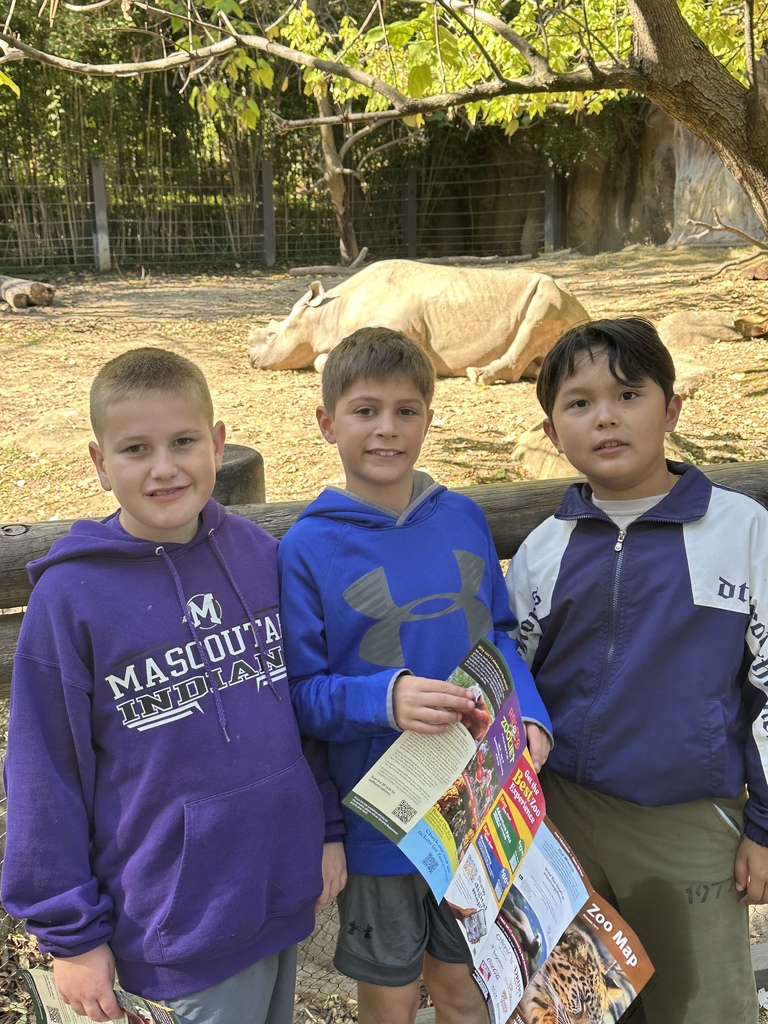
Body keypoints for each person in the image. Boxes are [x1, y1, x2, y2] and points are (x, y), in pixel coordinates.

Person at [2, 347, 346, 1024]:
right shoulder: (72, 598)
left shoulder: (258, 556)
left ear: (218, 445)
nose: (164, 467)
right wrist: (72, 936)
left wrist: (326, 828)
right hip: (176, 925)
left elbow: (299, 709)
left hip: (281, 892)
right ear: (100, 465)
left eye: (183, 442)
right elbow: (45, 772)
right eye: (136, 448)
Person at [277, 327, 552, 1024]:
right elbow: (302, 697)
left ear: (429, 419)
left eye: (406, 411)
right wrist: (384, 698)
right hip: (384, 823)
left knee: (464, 987)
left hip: (477, 805)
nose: (386, 429)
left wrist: (532, 717)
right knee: (393, 997)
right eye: (365, 410)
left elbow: (497, 634)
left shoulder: (462, 516)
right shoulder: (308, 548)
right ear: (326, 422)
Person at [506, 317, 768, 1024]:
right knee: (577, 1004)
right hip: (563, 822)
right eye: (579, 403)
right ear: (554, 431)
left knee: (702, 1006)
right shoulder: (542, 550)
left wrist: (764, 827)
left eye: (628, 394)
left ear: (672, 408)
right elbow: (517, 680)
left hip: (688, 820)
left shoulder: (741, 532)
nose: (606, 417)